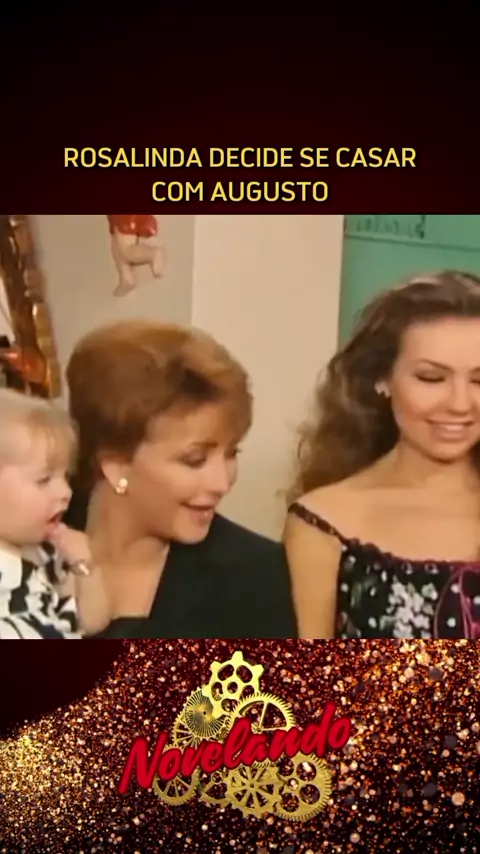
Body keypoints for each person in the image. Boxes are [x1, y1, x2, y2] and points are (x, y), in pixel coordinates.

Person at [63, 319, 297, 639]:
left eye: (231, 453)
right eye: (195, 460)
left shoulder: (256, 576)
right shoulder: (23, 544)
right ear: (116, 465)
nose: (222, 483)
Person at [284, 270, 480, 640]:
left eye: (479, 380)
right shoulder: (325, 523)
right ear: (381, 378)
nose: (460, 403)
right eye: (431, 378)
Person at [0, 389, 110, 638]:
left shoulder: (47, 552)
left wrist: (84, 566)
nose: (65, 492)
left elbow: (93, 621)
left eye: (66, 477)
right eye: (44, 480)